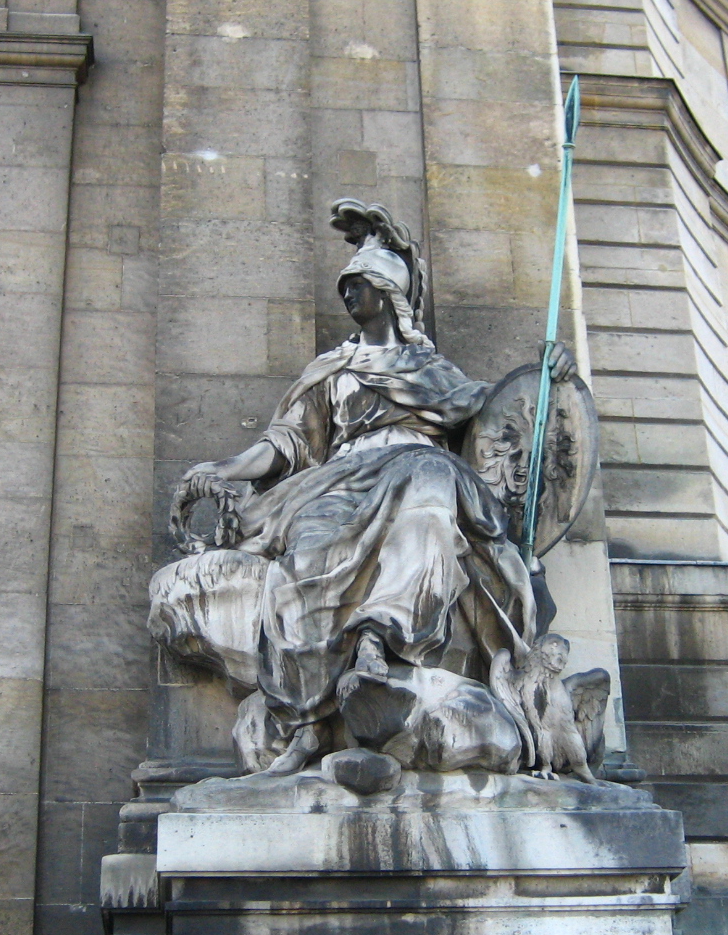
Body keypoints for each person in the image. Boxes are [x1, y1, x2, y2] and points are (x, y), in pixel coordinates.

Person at [152, 201, 575, 773]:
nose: (348, 295)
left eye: (359, 285)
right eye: (345, 287)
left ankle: (378, 640)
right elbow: (288, 441)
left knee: (428, 501)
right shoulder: (333, 370)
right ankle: (305, 707)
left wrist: (552, 376)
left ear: (387, 293)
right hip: (339, 482)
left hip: (420, 470)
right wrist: (223, 470)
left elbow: (505, 415)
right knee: (308, 552)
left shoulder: (434, 372)